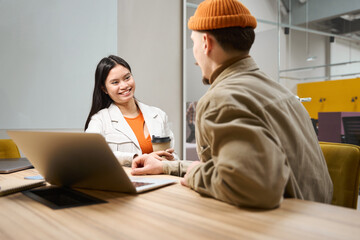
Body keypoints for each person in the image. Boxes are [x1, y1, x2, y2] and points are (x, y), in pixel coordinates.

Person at [131, 0, 333, 209]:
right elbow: (231, 168)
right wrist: (166, 166)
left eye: (194, 42)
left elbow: (254, 185)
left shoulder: (223, 98)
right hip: (316, 222)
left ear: (206, 43)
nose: (195, 57)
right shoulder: (283, 93)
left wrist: (195, 176)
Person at [85, 55, 178, 167]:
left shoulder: (158, 115)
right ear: (104, 89)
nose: (124, 85)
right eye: (115, 82)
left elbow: (174, 156)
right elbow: (91, 154)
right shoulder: (99, 120)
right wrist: (136, 158)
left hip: (160, 181)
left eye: (127, 78)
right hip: (122, 183)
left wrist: (168, 160)